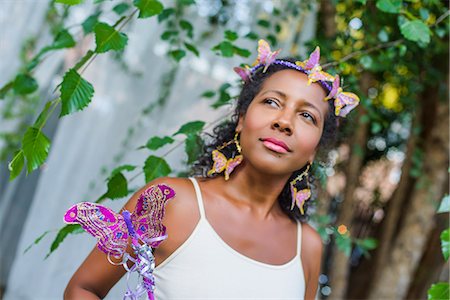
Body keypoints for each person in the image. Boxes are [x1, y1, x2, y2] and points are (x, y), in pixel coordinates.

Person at [63, 40, 359, 300]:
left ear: (315, 150)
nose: (284, 121)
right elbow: (84, 288)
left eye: (307, 115)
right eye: (271, 102)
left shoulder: (307, 247)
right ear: (241, 118)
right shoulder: (170, 201)